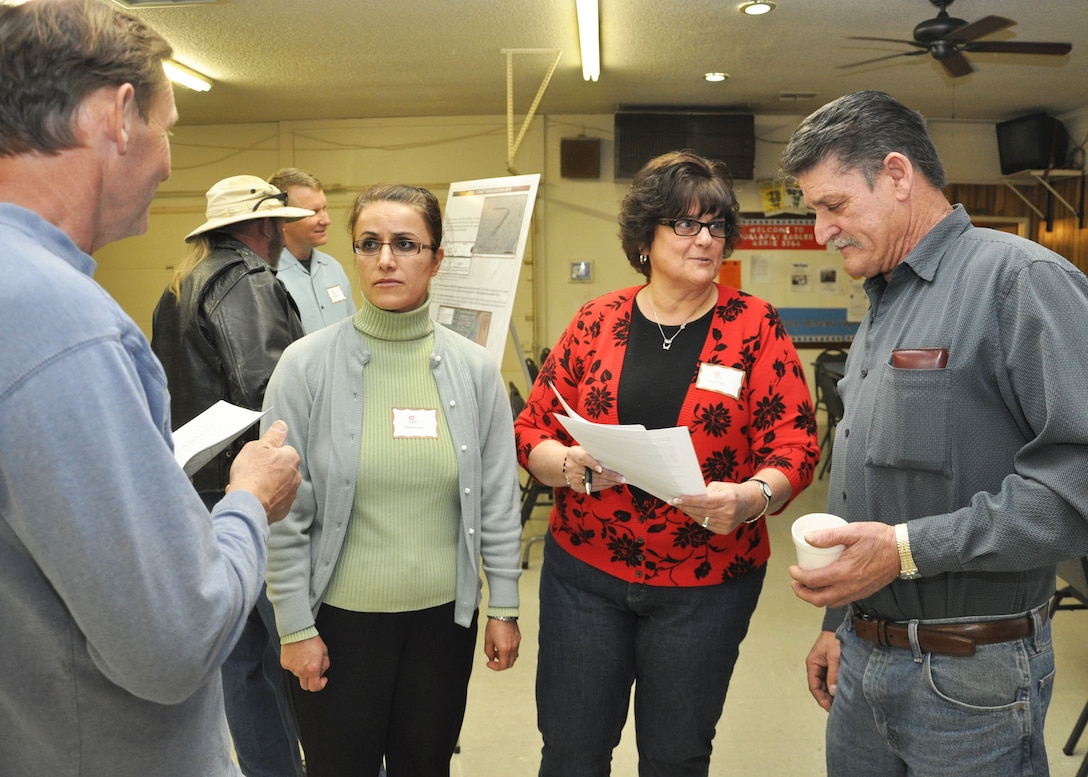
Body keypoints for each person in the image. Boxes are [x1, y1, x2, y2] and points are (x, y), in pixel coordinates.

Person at [0, 2, 301, 776]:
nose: (168, 163)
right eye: (169, 128)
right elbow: (175, 640)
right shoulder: (60, 322)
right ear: (119, 115)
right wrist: (247, 500)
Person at [780, 90, 1088, 776]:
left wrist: (907, 549)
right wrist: (841, 626)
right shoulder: (884, 301)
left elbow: (1077, 488)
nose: (820, 231)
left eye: (832, 206)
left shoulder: (1020, 280)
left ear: (896, 175)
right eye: (814, 212)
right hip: (864, 658)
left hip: (972, 677)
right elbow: (871, 489)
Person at [513, 150, 820, 776]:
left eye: (716, 226)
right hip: (586, 573)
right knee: (572, 750)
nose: (706, 239)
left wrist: (753, 498)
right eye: (685, 224)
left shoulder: (754, 325)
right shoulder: (597, 319)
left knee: (675, 756)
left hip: (705, 583)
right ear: (645, 237)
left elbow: (795, 444)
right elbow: (532, 428)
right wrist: (566, 465)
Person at [263, 183, 523, 777]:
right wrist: (294, 624)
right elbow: (284, 512)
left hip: (442, 625)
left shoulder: (474, 370)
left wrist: (503, 604)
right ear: (353, 253)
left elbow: (497, 500)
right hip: (337, 627)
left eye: (406, 244)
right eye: (370, 243)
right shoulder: (304, 366)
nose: (386, 259)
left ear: (436, 258)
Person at [152, 175, 313, 777]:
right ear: (263, 226)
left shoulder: (181, 283)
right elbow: (267, 394)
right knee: (298, 662)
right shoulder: (247, 280)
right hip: (257, 501)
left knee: (242, 673)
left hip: (201, 499)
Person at [268, 167, 357, 333]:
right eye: (313, 212)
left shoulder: (333, 268)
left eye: (324, 208)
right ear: (283, 219)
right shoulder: (267, 277)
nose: (326, 220)